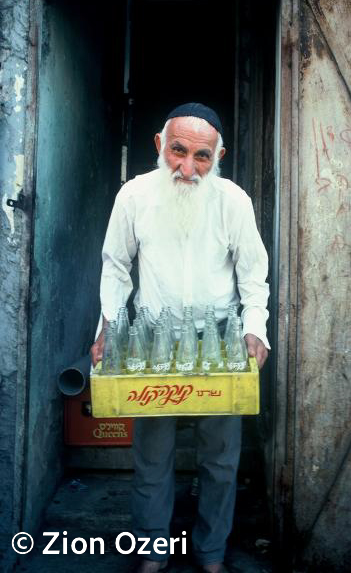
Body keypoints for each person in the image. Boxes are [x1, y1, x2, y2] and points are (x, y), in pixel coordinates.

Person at [91, 103, 270, 573]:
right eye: (178, 151)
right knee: (152, 457)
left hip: (219, 343)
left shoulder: (234, 201)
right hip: (154, 343)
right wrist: (107, 329)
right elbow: (116, 267)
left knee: (220, 459)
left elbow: (254, 275)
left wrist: (255, 328)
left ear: (219, 156)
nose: (187, 168)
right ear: (158, 144)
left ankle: (211, 552)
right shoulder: (133, 196)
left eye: (202, 156)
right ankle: (152, 549)